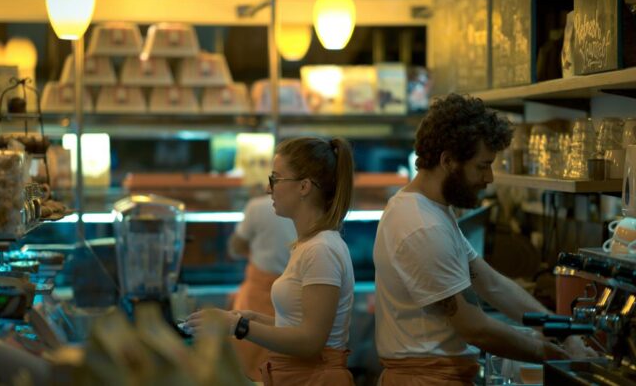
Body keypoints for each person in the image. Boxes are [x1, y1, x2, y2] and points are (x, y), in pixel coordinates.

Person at [373, 94, 596, 385]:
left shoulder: (431, 212)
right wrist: (555, 356)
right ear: (448, 161)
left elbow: (491, 283)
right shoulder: (422, 226)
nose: (489, 177)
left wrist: (563, 332)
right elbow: (475, 328)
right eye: (482, 165)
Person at [187, 136, 356, 386]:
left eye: (275, 179)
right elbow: (298, 325)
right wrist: (252, 317)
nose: (269, 189)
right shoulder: (309, 245)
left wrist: (239, 326)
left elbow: (311, 342)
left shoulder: (322, 249)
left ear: (304, 186)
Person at [227, 192, 296, 381]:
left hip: (258, 295)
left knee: (255, 366)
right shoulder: (305, 209)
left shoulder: (256, 206)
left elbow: (235, 247)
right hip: (292, 295)